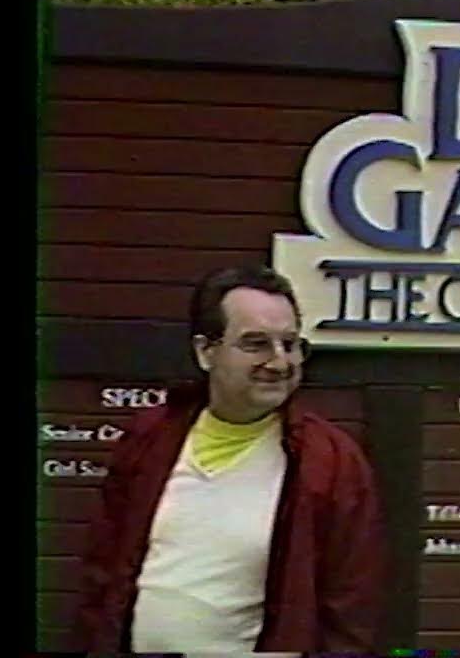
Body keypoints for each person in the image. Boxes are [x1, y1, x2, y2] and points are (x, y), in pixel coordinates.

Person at [76, 265, 386, 654]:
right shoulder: (150, 438)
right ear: (206, 352)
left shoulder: (331, 461)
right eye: (256, 344)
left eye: (289, 344)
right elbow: (102, 575)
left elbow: (350, 610)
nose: (279, 362)